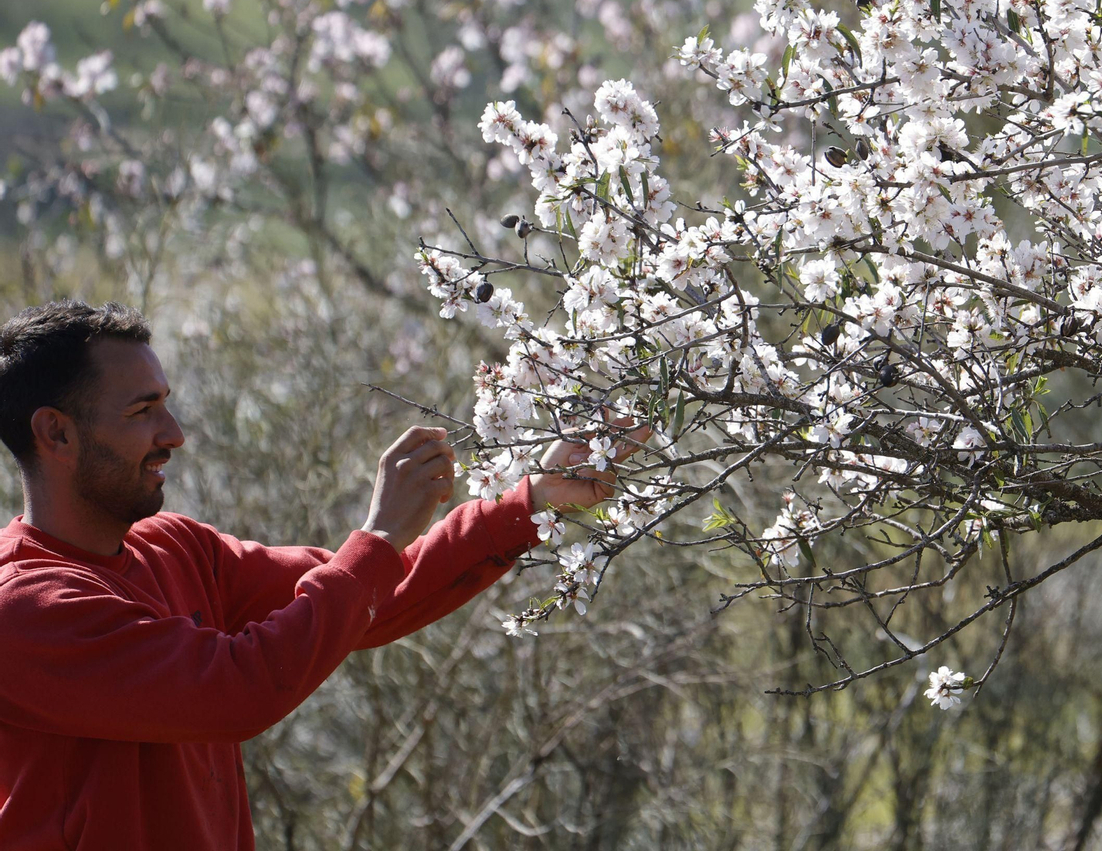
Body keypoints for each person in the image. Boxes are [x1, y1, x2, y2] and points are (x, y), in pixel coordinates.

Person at [0, 299, 643, 849]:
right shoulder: (24, 609)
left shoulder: (177, 549)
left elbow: (370, 595)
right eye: (143, 412)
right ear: (56, 434)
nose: (175, 433)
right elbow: (237, 688)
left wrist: (528, 501)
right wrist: (380, 535)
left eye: (166, 405)